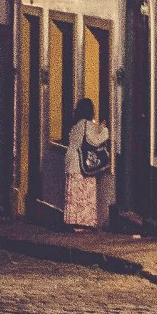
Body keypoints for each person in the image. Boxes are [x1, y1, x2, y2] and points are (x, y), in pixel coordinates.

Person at [61, 97, 113, 232]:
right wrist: (105, 130)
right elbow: (96, 140)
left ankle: (73, 221)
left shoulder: (76, 125)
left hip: (70, 162)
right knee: (84, 193)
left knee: (74, 194)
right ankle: (84, 222)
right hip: (81, 164)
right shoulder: (87, 124)